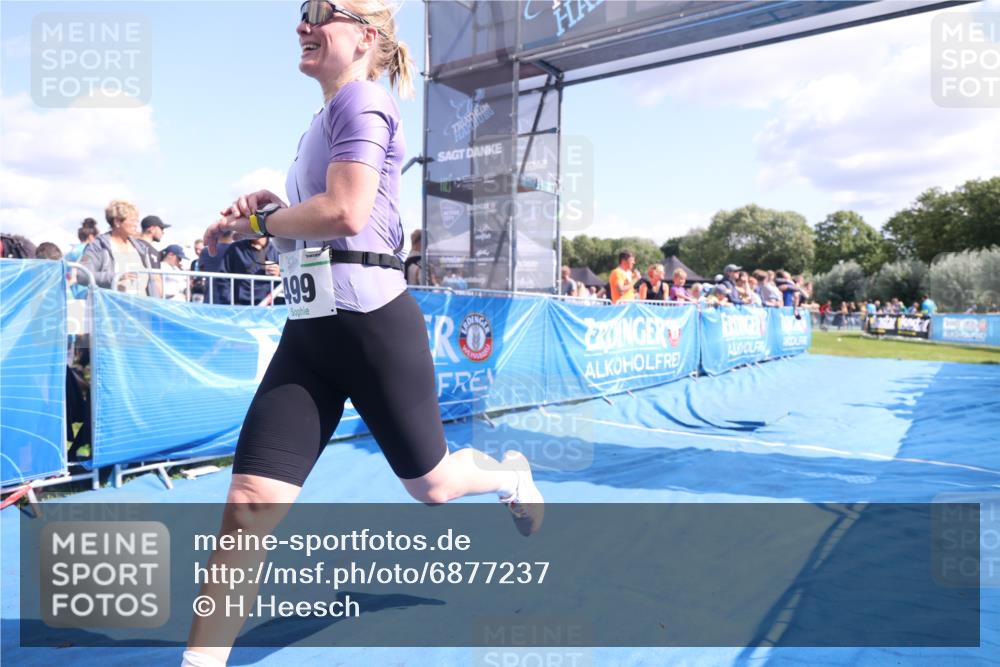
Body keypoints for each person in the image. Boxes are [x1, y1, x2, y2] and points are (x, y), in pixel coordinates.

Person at [187, 5, 544, 666]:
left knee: (433, 487)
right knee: (250, 502)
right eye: (301, 13)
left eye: (321, 12)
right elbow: (315, 210)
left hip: (375, 328)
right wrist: (267, 205)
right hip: (311, 336)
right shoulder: (322, 121)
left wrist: (262, 227)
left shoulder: (366, 101)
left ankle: (507, 471)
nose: (302, 23)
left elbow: (346, 210)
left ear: (366, 36)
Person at [79, 200, 162, 296]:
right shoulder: (98, 246)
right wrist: (116, 276)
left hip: (141, 307)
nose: (136, 225)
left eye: (137, 221)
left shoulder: (141, 248)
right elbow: (82, 275)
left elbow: (151, 282)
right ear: (117, 222)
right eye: (132, 220)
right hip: (111, 307)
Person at [221, 236, 280, 305]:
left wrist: (279, 273)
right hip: (240, 307)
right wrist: (230, 302)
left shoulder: (277, 249)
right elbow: (223, 278)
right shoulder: (236, 248)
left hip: (269, 307)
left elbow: (288, 274)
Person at [197, 229, 235, 304]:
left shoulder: (206, 250)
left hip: (211, 296)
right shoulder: (237, 250)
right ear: (231, 235)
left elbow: (202, 270)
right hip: (231, 297)